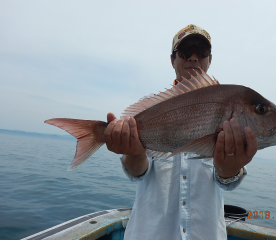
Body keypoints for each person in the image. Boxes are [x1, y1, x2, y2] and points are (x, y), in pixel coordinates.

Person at [104, 24, 257, 240]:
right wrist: (134, 152)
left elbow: (227, 180)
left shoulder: (229, 106)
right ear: (172, 59)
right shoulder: (150, 109)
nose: (193, 58)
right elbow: (137, 172)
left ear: (209, 60)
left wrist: (230, 169)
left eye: (201, 53)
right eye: (185, 52)